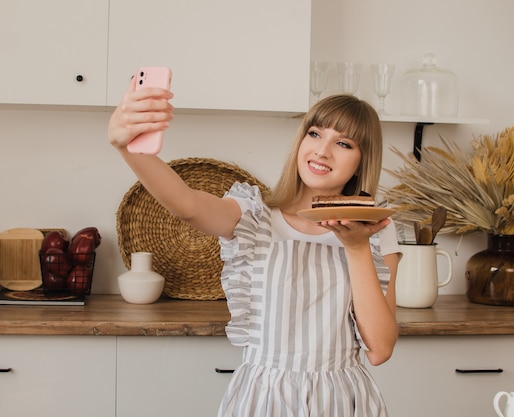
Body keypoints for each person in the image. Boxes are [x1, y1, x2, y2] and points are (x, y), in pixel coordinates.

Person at [108, 78, 400, 417]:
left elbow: (379, 350)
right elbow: (186, 204)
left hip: (342, 400)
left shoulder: (376, 230)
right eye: (315, 134)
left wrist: (356, 247)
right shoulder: (253, 214)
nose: (322, 150)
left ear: (362, 160)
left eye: (344, 143)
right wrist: (125, 146)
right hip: (264, 398)